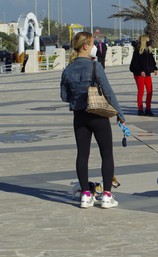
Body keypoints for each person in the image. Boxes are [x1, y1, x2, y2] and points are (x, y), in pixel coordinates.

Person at [60, 31, 126, 209]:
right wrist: (120, 114)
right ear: (85, 46)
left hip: (79, 116)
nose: (94, 46)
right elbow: (108, 92)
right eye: (92, 43)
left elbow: (64, 96)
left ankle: (85, 195)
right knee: (106, 154)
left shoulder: (68, 69)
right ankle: (106, 196)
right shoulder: (95, 66)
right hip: (97, 115)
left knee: (82, 154)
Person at [129, 34, 158, 116]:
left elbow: (152, 61)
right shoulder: (138, 51)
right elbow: (134, 64)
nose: (149, 42)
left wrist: (155, 68)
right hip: (139, 74)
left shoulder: (148, 50)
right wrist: (140, 71)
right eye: (148, 40)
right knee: (141, 91)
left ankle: (148, 108)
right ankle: (140, 108)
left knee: (150, 91)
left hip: (147, 73)